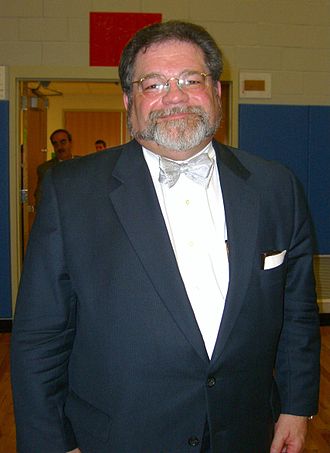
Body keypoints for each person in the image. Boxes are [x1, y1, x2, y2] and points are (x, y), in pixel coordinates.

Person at [11, 21, 320, 453]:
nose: (174, 96)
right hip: (118, 438)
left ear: (216, 91)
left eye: (190, 80)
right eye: (153, 84)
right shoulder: (72, 192)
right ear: (128, 102)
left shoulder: (276, 187)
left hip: (246, 431)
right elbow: (40, 338)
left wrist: (296, 406)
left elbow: (297, 314)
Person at [34, 129, 74, 207]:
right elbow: (40, 197)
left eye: (63, 142)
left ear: (70, 143)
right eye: (55, 144)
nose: (59, 147)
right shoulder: (45, 169)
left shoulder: (83, 163)